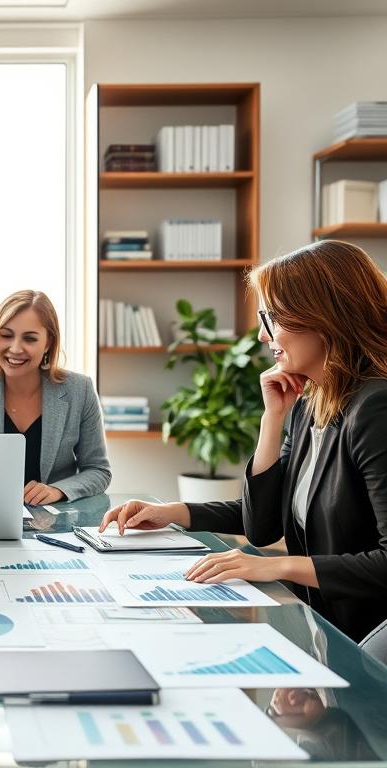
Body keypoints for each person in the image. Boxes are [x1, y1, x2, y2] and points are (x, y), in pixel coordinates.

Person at [100, 240, 387, 642]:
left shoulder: (376, 406)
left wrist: (279, 566)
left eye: (272, 318)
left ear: (324, 318)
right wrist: (171, 512)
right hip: (325, 627)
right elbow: (263, 525)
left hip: (367, 639)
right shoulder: (312, 403)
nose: (262, 333)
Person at [0, 290, 111, 504]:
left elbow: (98, 470)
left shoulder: (79, 390)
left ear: (48, 342)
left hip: (57, 521)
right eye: (6, 335)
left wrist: (57, 490)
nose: (15, 348)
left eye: (29, 338)